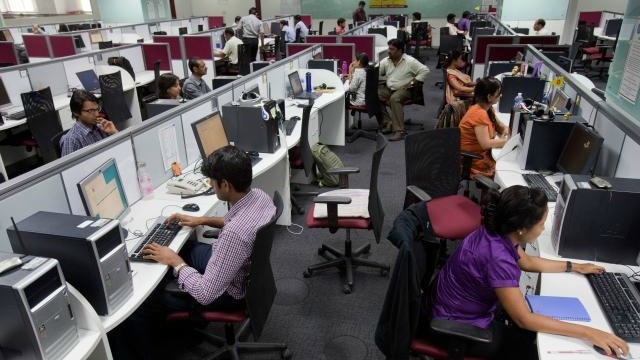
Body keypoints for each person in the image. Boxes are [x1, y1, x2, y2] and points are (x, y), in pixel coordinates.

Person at [114, 145, 276, 359]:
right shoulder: (259, 196)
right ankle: (184, 325)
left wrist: (176, 262)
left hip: (229, 292)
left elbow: (205, 294)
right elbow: (235, 221)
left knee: (141, 304)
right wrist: (203, 220)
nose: (210, 185)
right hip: (244, 271)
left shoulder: (234, 235)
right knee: (187, 247)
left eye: (212, 181)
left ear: (225, 184)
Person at [430, 185, 629, 359]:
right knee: (529, 348)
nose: (543, 229)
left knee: (534, 329)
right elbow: (523, 319)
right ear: (522, 229)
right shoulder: (498, 258)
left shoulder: (498, 231)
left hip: (452, 305)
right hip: (457, 326)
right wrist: (590, 333)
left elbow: (528, 261)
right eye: (541, 224)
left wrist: (574, 266)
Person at [377, 38, 429, 141]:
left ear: (400, 50)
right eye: (389, 48)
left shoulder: (409, 61)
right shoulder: (387, 61)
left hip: (405, 90)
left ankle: (400, 131)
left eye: (392, 49)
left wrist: (413, 82)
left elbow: (425, 70)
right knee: (374, 95)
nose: (388, 51)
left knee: (395, 98)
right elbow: (378, 72)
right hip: (389, 88)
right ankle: (389, 123)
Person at [458, 77, 509, 178]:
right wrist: (508, 141)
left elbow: (501, 126)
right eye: (498, 94)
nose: (501, 95)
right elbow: (486, 144)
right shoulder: (479, 114)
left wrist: (504, 131)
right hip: (474, 160)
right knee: (504, 172)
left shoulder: (487, 109)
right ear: (489, 97)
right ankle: (489, 193)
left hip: (482, 155)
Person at [60, 90, 118, 156]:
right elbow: (69, 166)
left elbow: (118, 149)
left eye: (97, 109)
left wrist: (114, 132)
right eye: (91, 111)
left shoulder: (101, 126)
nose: (97, 114)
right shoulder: (71, 140)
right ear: (76, 112)